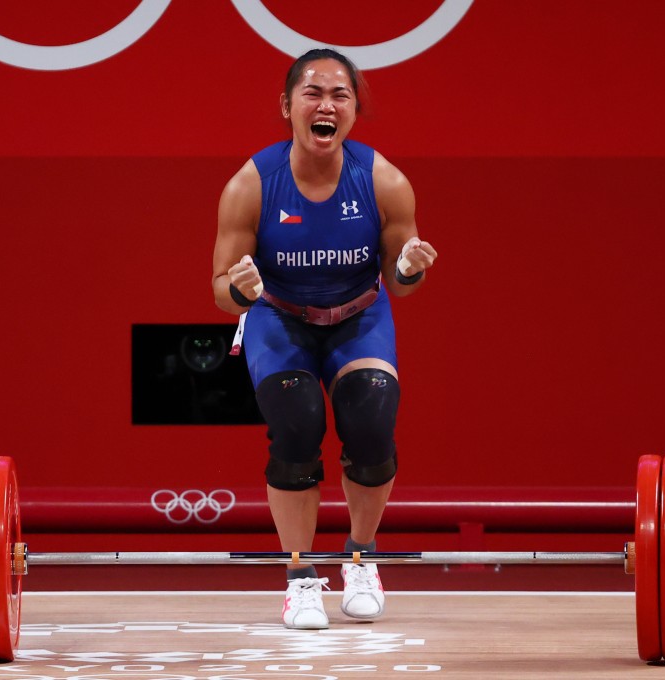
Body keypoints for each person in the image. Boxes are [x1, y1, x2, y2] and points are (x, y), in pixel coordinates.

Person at [211, 48, 437, 629]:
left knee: (371, 415)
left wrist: (409, 271)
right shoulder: (251, 185)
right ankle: (300, 576)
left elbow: (399, 282)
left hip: (359, 317)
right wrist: (240, 288)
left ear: (354, 112)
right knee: (296, 421)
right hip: (278, 317)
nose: (326, 104)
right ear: (287, 107)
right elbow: (220, 290)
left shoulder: (384, 181)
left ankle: (361, 557)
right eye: (312, 93)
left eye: (340, 95)